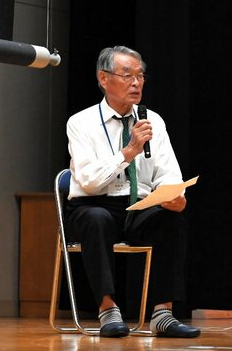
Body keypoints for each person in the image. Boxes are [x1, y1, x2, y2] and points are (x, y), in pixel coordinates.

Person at [65, 45, 200, 338]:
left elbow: (168, 172)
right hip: (93, 205)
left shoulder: (153, 121)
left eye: (140, 76)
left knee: (171, 221)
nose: (136, 83)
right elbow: (87, 181)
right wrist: (128, 152)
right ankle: (108, 310)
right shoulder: (80, 123)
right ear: (104, 78)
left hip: (138, 206)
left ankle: (163, 313)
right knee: (97, 219)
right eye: (127, 76)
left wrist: (173, 195)